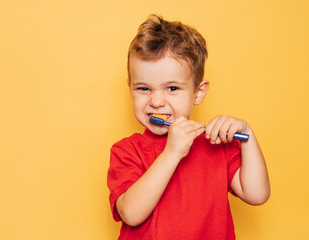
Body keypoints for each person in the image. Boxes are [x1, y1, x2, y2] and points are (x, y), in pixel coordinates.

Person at [107, 14, 270, 239]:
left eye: (172, 88)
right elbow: (131, 214)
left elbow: (257, 194)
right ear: (130, 88)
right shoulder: (127, 151)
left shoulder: (217, 145)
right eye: (143, 89)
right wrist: (172, 153)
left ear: (198, 92)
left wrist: (248, 136)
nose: (156, 101)